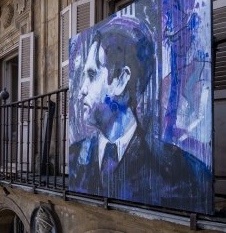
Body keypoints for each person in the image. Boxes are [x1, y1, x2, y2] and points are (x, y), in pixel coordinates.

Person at [69, 16, 212, 214]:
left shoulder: (184, 173)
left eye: (92, 75)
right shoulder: (75, 158)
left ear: (121, 79)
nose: (80, 90)